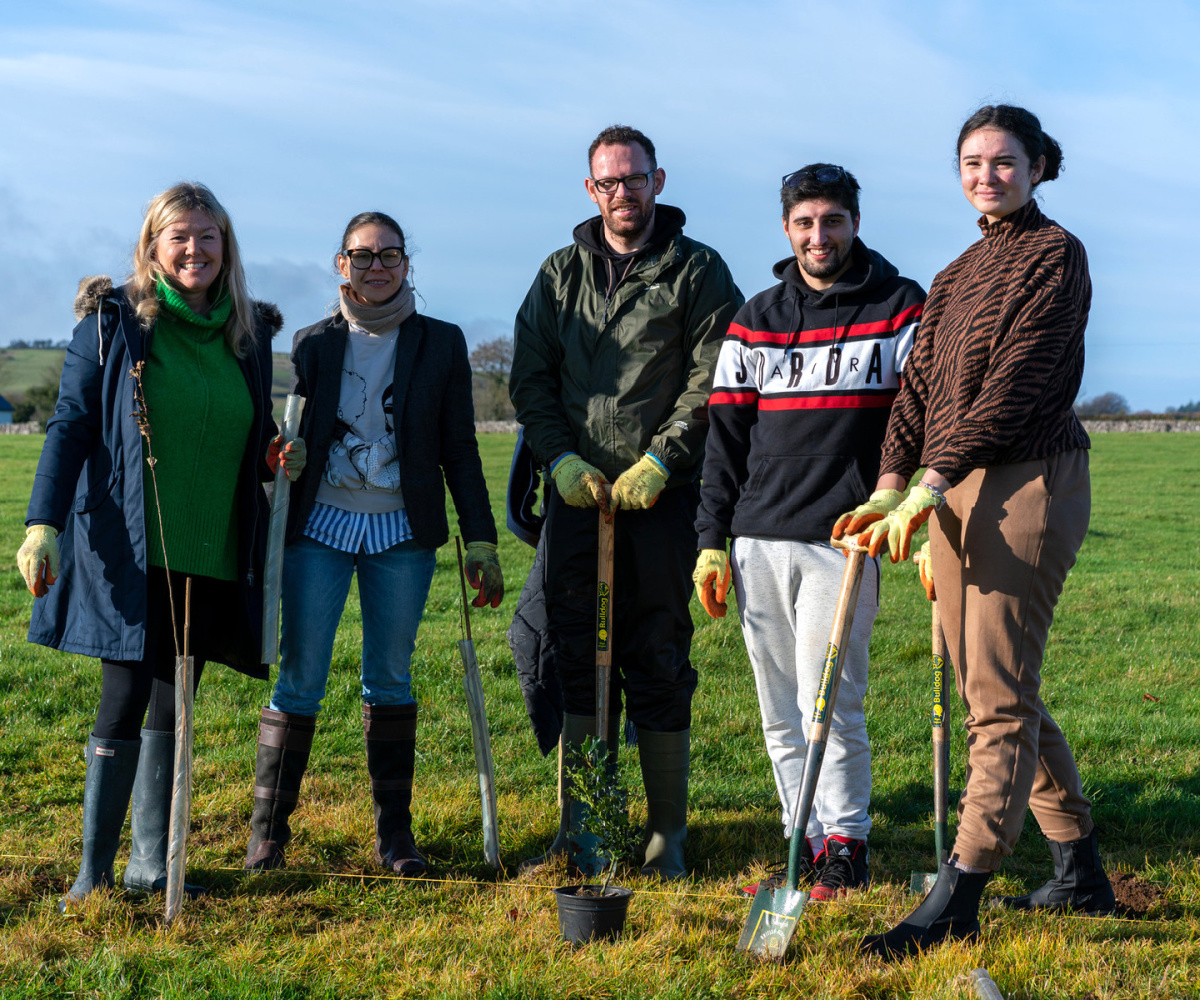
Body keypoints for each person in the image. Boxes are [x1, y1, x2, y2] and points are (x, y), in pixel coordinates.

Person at [832, 105, 1115, 960]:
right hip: (948, 487)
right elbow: (917, 391)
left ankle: (958, 894)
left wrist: (931, 482)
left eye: (1003, 161)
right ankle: (1079, 869)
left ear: (1038, 167)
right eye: (971, 162)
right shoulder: (957, 271)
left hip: (1028, 480)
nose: (986, 176)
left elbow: (1015, 386)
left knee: (994, 695)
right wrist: (891, 491)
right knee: (994, 677)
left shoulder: (1056, 256)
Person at [16, 182, 292, 909]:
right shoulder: (114, 325)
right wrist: (40, 522)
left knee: (178, 702)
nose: (194, 249)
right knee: (124, 696)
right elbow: (71, 423)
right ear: (153, 246)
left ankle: (150, 866)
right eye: (180, 236)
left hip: (214, 546)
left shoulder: (248, 335)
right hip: (133, 547)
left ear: (225, 248)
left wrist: (271, 452)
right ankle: (92, 874)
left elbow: (246, 422)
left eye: (208, 236)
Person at [509, 125, 742, 879]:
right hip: (579, 499)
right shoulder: (557, 274)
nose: (623, 194)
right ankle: (587, 829)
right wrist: (562, 457)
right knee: (578, 654)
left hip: (663, 503)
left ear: (658, 180)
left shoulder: (698, 271)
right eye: (608, 182)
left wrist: (660, 460)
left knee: (657, 656)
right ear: (590, 190)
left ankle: (665, 835)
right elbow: (531, 382)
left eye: (634, 179)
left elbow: (713, 379)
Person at [243, 211, 503, 877]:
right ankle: (267, 837)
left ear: (406, 264)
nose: (377, 266)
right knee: (299, 676)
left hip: (401, 533)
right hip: (320, 528)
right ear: (342, 264)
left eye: (390, 255)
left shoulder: (442, 344)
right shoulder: (311, 344)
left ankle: (397, 841)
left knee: (389, 675)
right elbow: (289, 437)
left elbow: (461, 450)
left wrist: (480, 539)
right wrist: (286, 456)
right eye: (363, 256)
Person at [693, 164, 925, 901]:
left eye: (831, 221)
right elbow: (724, 439)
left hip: (845, 540)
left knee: (832, 701)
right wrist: (710, 539)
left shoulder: (900, 307)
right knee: (779, 709)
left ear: (854, 222)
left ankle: (848, 846)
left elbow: (924, 420)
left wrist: (916, 514)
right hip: (759, 537)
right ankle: (805, 836)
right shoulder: (754, 318)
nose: (817, 236)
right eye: (803, 223)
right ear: (786, 228)